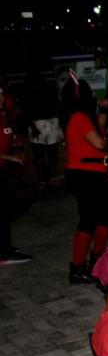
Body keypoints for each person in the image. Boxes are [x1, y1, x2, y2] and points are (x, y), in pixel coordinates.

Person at [61, 74, 108, 284]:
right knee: (91, 218)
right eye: (90, 93)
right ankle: (78, 267)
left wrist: (103, 111)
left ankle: (95, 261)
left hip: (94, 175)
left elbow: (101, 130)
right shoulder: (79, 117)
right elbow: (99, 143)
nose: (94, 96)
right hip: (85, 176)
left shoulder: (86, 117)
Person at [0, 99, 30, 264]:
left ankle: (4, 248)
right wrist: (12, 157)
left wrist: (15, 146)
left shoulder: (4, 116)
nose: (2, 98)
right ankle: (5, 253)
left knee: (7, 209)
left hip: (4, 168)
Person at [25, 75, 62, 188]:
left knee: (40, 156)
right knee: (50, 155)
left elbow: (26, 111)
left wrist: (33, 126)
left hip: (40, 123)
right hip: (50, 122)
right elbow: (57, 108)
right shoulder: (49, 91)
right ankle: (51, 178)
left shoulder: (30, 93)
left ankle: (44, 180)